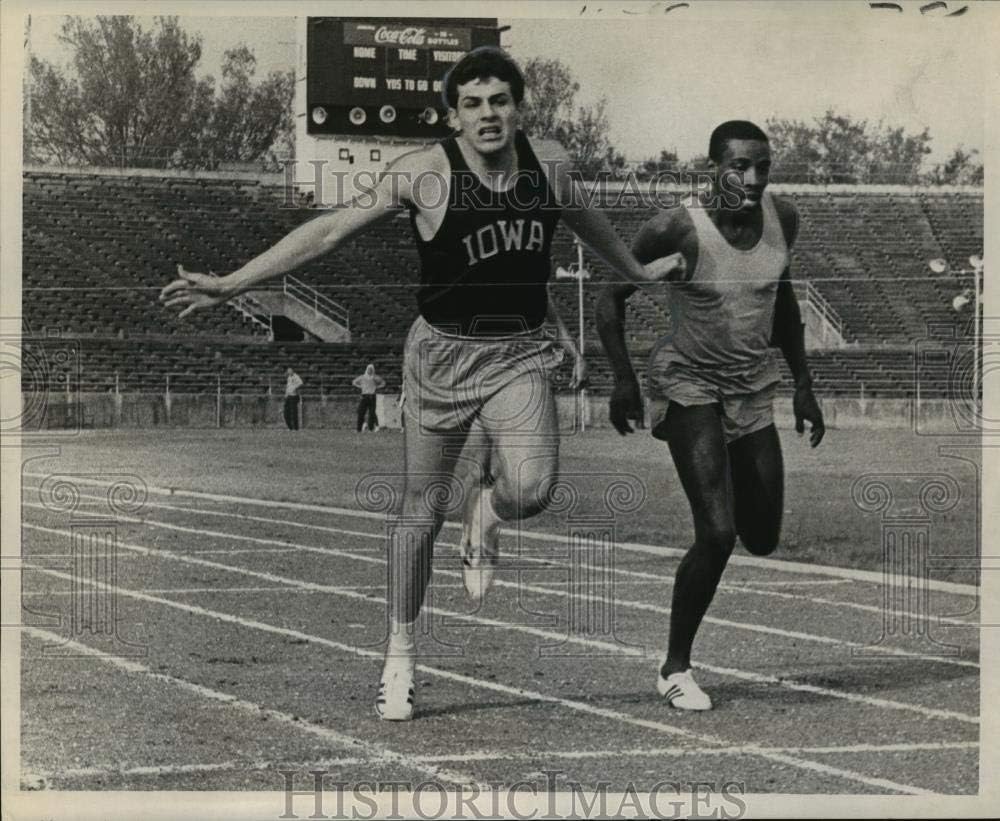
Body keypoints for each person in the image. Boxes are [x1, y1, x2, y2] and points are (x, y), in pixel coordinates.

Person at [161, 46, 681, 721]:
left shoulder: (548, 165)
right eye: (473, 103)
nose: (488, 114)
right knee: (421, 514)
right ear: (454, 115)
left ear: (520, 107)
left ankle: (487, 512)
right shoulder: (425, 173)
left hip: (517, 351)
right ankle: (400, 653)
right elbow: (326, 232)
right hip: (439, 358)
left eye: (500, 100)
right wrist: (232, 283)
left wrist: (639, 275)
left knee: (533, 486)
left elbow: (591, 228)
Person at [595, 120, 825, 711]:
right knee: (717, 532)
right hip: (689, 382)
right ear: (711, 169)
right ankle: (675, 667)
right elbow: (609, 296)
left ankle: (712, 555)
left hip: (751, 387)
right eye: (738, 167)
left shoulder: (785, 219)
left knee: (764, 537)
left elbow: (785, 297)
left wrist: (803, 382)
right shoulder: (677, 227)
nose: (752, 179)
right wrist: (622, 378)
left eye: (762, 167)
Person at [352, 363, 386, 432]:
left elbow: (383, 383)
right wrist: (360, 387)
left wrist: (377, 387)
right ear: (366, 369)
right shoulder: (362, 377)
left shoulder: (375, 377)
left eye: (371, 369)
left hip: (372, 396)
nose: (369, 371)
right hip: (364, 396)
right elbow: (354, 382)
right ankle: (359, 429)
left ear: (373, 370)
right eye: (369, 369)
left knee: (372, 413)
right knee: (360, 412)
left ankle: (371, 428)